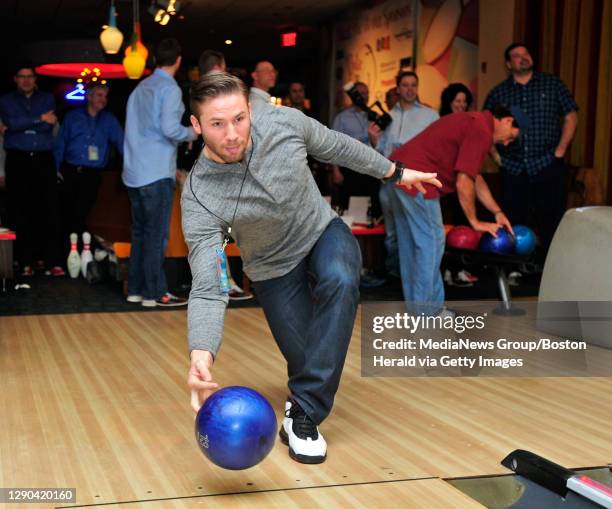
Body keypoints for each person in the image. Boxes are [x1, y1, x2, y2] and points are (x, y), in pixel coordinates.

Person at [183, 71, 440, 464]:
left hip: (321, 233)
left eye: (239, 118)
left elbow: (338, 146)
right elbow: (207, 285)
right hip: (271, 269)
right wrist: (202, 354)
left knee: (339, 277)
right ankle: (305, 395)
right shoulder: (200, 194)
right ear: (196, 125)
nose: (232, 133)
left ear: (250, 109)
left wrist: (396, 172)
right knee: (309, 364)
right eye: (217, 124)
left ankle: (303, 414)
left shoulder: (282, 121)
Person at [371, 105, 525, 315]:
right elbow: (464, 182)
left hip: (397, 172)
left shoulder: (474, 122)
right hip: (417, 178)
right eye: (511, 137)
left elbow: (474, 178)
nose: (505, 143)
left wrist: (497, 212)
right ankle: (429, 312)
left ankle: (418, 310)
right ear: (507, 121)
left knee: (410, 244)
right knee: (432, 241)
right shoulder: (482, 130)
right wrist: (476, 222)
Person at [483, 43, 578, 260]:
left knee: (552, 221)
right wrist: (497, 158)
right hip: (513, 168)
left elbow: (571, 116)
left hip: (548, 164)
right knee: (514, 220)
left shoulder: (552, 84)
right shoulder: (498, 93)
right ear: (508, 65)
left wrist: (560, 152)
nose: (523, 57)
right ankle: (515, 270)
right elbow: (484, 128)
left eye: (526, 53)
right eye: (516, 56)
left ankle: (551, 268)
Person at [123, 38, 196, 307]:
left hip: (133, 172)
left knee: (140, 233)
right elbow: (169, 128)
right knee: (156, 235)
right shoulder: (170, 89)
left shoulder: (140, 88)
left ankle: (136, 290)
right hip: (156, 172)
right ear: (178, 60)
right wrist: (192, 132)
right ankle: (155, 293)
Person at [371, 71, 439, 278]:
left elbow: (437, 148)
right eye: (405, 85)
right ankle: (396, 275)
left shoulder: (430, 116)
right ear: (398, 88)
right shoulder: (388, 117)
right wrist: (373, 139)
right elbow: (380, 153)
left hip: (416, 183)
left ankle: (416, 276)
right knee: (392, 233)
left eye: (413, 85)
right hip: (390, 182)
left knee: (416, 232)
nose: (409, 89)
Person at [0, 63, 64, 276]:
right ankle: (23, 261)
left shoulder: (46, 98)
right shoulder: (6, 100)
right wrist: (38, 119)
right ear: (15, 79)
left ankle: (48, 260)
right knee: (19, 210)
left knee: (47, 210)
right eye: (22, 76)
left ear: (35, 79)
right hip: (18, 160)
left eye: (30, 77)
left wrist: (23, 125)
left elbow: (48, 126)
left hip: (43, 160)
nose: (26, 80)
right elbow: (11, 121)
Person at [54, 83, 124, 244]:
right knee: (67, 213)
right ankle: (71, 251)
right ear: (89, 97)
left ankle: (79, 250)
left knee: (82, 213)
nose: (103, 99)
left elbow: (123, 145)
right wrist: (56, 170)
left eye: (105, 96)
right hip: (70, 171)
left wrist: (131, 168)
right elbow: (60, 143)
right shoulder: (73, 117)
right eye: (99, 95)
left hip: (92, 174)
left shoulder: (109, 120)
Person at [438, 83, 479, 287]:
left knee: (463, 227)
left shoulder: (471, 123)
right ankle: (446, 271)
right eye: (457, 101)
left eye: (465, 101)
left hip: (463, 183)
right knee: (445, 229)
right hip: (444, 184)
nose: (461, 105)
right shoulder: (441, 122)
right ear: (449, 102)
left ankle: (459, 270)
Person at [330, 82, 378, 213]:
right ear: (352, 96)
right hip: (349, 168)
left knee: (370, 207)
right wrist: (336, 171)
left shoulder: (374, 116)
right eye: (360, 93)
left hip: (370, 168)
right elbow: (334, 145)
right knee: (349, 207)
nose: (363, 97)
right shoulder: (342, 117)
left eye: (365, 93)